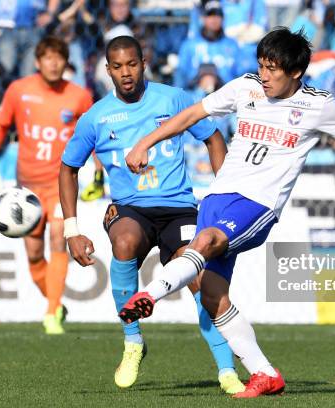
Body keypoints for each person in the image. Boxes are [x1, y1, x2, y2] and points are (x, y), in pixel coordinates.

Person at [119, 28, 335, 398]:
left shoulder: (319, 105)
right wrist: (145, 141)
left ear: (296, 72)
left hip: (258, 204)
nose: (265, 75)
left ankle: (149, 296)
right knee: (212, 296)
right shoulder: (244, 87)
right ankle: (265, 374)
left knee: (205, 241)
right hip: (218, 198)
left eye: (273, 69)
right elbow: (192, 115)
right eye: (262, 66)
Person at [59, 36, 245, 394]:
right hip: (130, 209)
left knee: (199, 279)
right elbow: (68, 168)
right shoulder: (95, 117)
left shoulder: (173, 98)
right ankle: (133, 342)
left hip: (179, 209)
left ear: (143, 63)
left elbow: (215, 139)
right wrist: (72, 230)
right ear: (108, 70)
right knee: (125, 241)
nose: (126, 73)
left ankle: (226, 370)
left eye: (132, 64)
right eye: (118, 66)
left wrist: (221, 197)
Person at [0, 36, 96, 335]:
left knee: (59, 237)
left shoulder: (79, 96)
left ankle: (50, 315)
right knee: (33, 254)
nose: (54, 63)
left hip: (60, 185)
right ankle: (56, 303)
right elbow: (1, 124)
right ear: (38, 61)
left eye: (59, 58)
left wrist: (98, 172)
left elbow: (93, 135)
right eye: (48, 58)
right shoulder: (19, 90)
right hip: (26, 190)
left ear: (65, 62)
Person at [175, 1, 241, 89]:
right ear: (203, 18)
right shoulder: (189, 45)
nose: (214, 19)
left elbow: (240, 75)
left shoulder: (232, 45)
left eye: (218, 15)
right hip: (195, 96)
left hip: (226, 96)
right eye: (210, 15)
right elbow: (180, 76)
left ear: (223, 19)